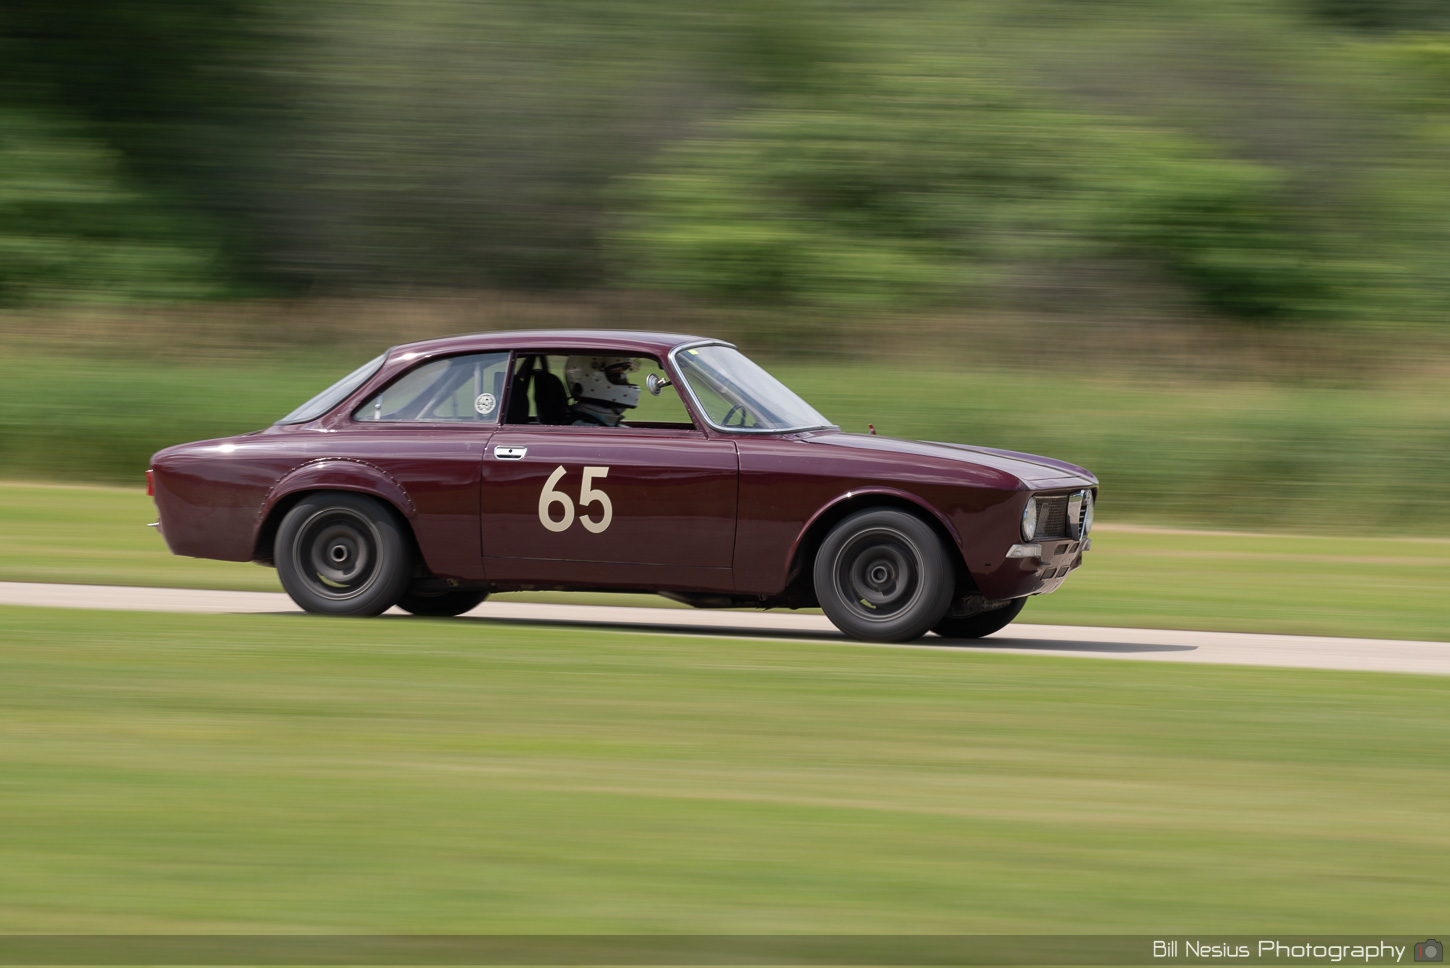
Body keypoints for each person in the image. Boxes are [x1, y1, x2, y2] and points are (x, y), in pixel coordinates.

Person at [564, 355, 640, 427]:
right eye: (619, 376)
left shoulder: (605, 424)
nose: (626, 381)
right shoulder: (582, 427)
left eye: (624, 376)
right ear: (592, 379)